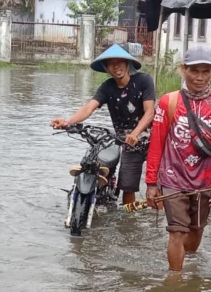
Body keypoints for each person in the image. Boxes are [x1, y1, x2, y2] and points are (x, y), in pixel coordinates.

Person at [145, 45, 211, 272]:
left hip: (205, 180)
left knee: (196, 230)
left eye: (206, 72)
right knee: (176, 232)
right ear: (183, 70)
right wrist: (151, 183)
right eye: (194, 71)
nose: (200, 78)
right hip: (173, 178)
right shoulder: (168, 102)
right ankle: (175, 281)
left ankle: (189, 265)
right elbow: (156, 145)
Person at [50, 45, 157, 206]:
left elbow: (150, 112)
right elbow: (89, 108)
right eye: (111, 64)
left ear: (127, 63)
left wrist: (135, 133)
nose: (116, 67)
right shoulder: (107, 87)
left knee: (160, 184)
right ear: (106, 68)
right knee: (128, 187)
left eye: (120, 62)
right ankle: (129, 223)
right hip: (127, 143)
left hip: (153, 140)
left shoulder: (144, 80)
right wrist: (68, 121)